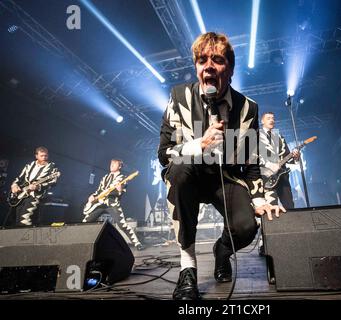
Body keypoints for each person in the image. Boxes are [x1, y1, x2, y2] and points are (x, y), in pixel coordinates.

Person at [158, 32, 285, 300]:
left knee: (247, 227)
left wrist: (260, 197)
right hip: (189, 172)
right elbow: (164, 153)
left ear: (230, 68)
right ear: (196, 66)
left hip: (224, 176)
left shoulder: (247, 108)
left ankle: (222, 251)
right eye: (202, 60)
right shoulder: (178, 98)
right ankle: (188, 269)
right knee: (179, 169)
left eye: (217, 60)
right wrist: (198, 145)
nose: (209, 66)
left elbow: (250, 161)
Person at [82, 158, 144, 251]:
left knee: (122, 224)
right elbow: (99, 190)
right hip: (100, 203)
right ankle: (82, 243)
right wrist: (93, 196)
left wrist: (119, 189)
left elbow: (122, 191)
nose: (111, 165)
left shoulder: (122, 178)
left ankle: (137, 243)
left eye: (114, 164)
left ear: (119, 166)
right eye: (111, 163)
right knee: (85, 221)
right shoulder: (105, 177)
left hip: (112, 203)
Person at [8, 146, 59, 227]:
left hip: (36, 196)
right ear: (36, 156)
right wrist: (14, 185)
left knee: (24, 219)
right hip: (21, 194)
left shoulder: (52, 167)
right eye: (42, 156)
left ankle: (27, 237)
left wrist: (38, 186)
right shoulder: (29, 165)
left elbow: (53, 182)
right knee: (16, 219)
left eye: (46, 156)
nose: (44, 158)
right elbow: (20, 178)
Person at [259, 112, 300, 209]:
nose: (271, 120)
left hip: (282, 176)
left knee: (289, 206)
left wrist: (296, 157)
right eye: (268, 118)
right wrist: (268, 165)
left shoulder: (279, 137)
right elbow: (252, 157)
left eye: (273, 118)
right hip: (266, 177)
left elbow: (287, 156)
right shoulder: (256, 136)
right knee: (271, 206)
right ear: (262, 121)